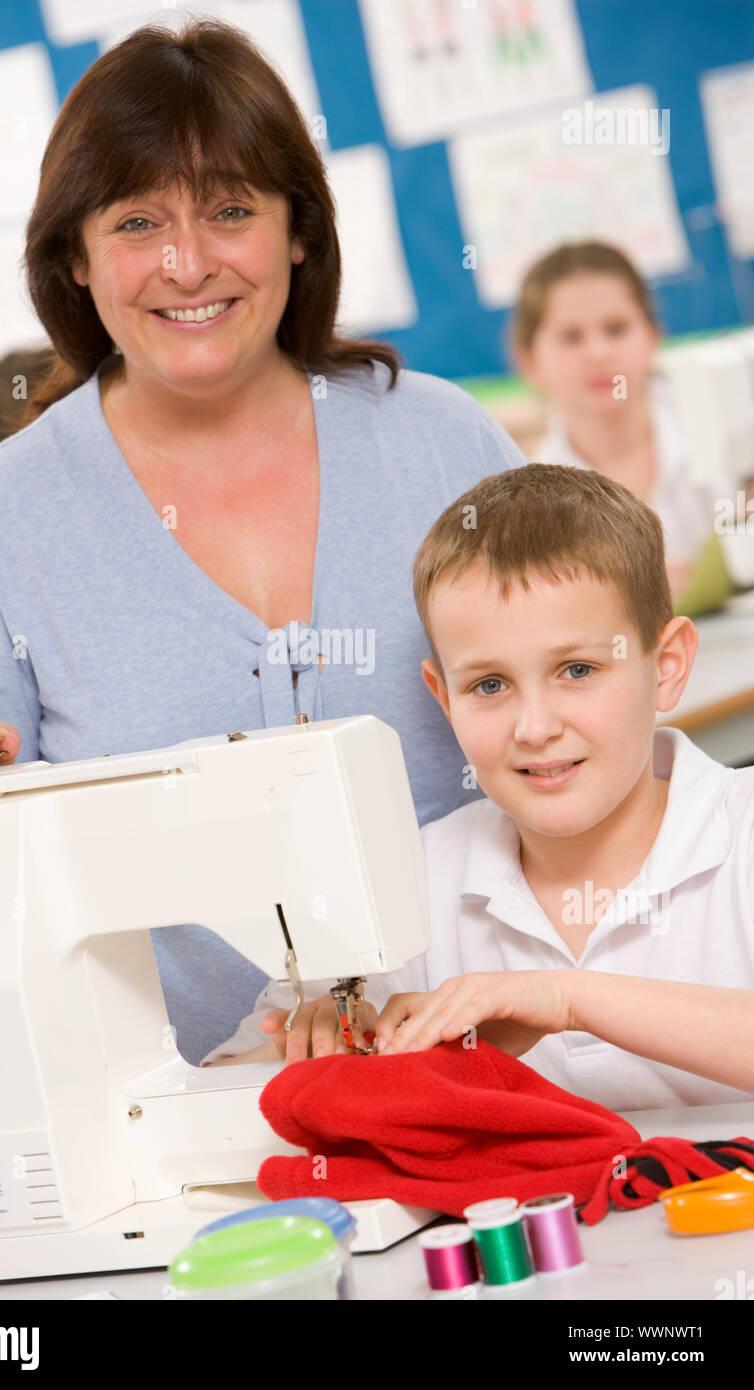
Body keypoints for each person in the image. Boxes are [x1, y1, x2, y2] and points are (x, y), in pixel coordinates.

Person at [0, 19, 525, 1066]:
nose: (189, 265)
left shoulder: (444, 442)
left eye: (231, 210)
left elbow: (593, 725)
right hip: (173, 1142)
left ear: (299, 232)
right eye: (137, 222)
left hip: (502, 1068)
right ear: (75, 260)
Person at [210, 464, 754, 1113]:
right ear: (443, 698)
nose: (535, 727)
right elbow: (220, 1090)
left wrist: (566, 999)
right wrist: (306, 1050)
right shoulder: (405, 880)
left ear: (665, 668)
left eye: (577, 670)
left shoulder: (741, 833)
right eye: (489, 686)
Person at [510, 241, 731, 604]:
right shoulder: (534, 500)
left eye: (616, 329)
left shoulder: (722, 430)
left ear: (652, 336)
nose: (598, 353)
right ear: (531, 361)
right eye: (571, 337)